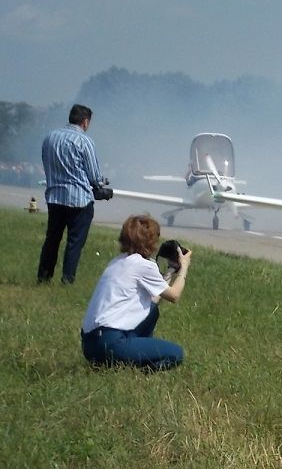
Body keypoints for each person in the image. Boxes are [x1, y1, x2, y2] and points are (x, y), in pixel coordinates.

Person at [81, 214, 191, 371]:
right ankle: (138, 371)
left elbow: (154, 298)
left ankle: (113, 363)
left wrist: (171, 270)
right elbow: (174, 295)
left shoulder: (117, 262)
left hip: (90, 345)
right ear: (150, 241)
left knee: (152, 311)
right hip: (111, 342)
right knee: (176, 353)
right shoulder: (143, 265)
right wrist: (184, 267)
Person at [36, 104, 112, 284]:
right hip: (79, 201)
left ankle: (44, 277)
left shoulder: (50, 137)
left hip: (54, 197)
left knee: (52, 240)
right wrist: (103, 184)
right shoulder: (84, 141)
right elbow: (94, 175)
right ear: (85, 122)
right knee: (74, 243)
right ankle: (67, 279)